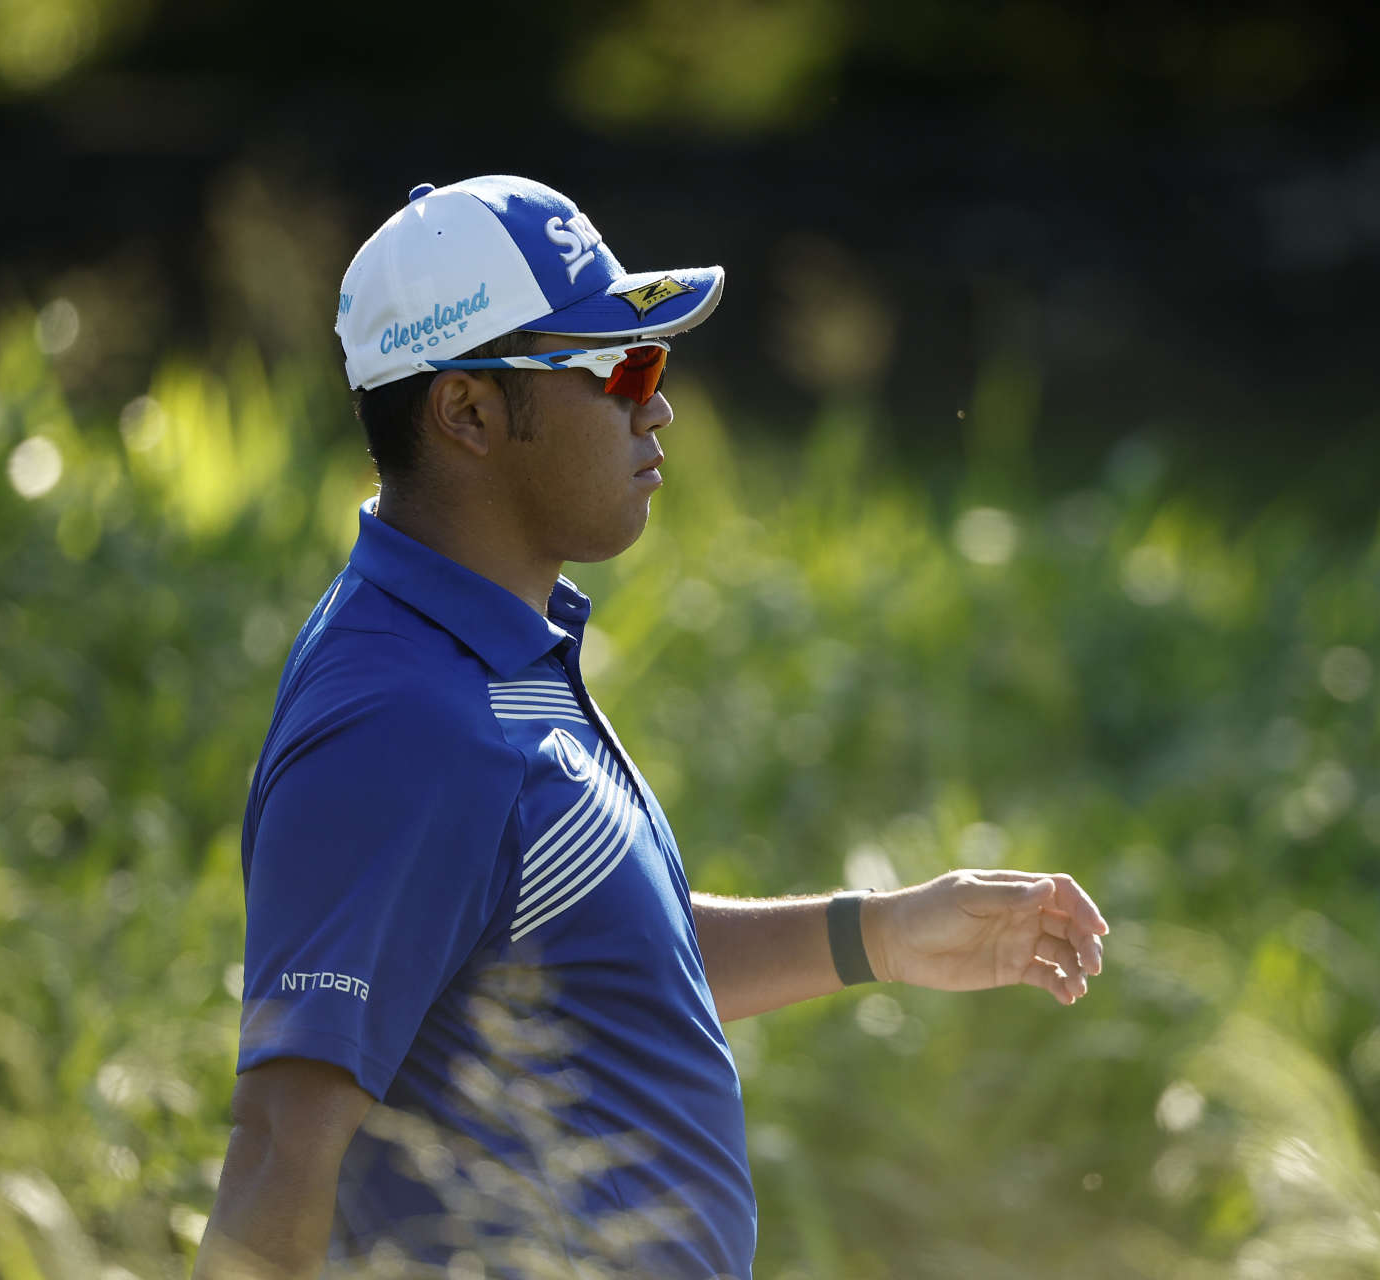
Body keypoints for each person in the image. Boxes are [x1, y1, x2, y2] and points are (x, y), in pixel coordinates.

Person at [193, 176, 1108, 1280]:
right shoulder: (400, 718)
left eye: (655, 365)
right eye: (618, 367)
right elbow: (281, 1150)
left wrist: (883, 934)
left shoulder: (490, 645)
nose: (657, 403)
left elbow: (587, 959)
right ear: (468, 413)